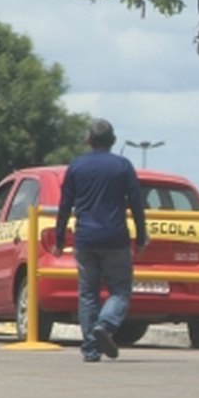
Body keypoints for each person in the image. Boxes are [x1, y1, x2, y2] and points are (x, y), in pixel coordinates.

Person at [54, 119, 148, 362]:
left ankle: (91, 349)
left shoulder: (77, 166)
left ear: (89, 140)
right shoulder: (123, 166)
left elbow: (65, 205)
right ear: (113, 141)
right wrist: (141, 236)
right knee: (120, 290)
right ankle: (105, 326)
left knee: (88, 294)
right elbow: (137, 203)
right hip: (115, 238)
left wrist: (59, 238)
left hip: (85, 238)